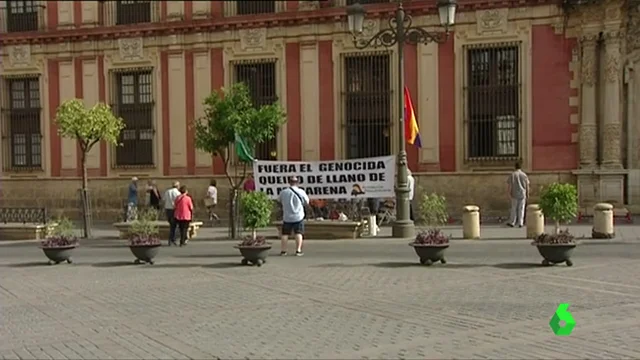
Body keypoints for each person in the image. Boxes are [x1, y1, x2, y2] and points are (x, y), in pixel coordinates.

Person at [279, 176, 309, 256]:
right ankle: (298, 250)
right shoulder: (301, 192)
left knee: (285, 234)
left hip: (287, 216)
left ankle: (283, 251)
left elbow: (279, 200)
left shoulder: (283, 192)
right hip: (298, 216)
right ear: (297, 182)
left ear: (289, 182)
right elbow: (307, 202)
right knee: (298, 233)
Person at [506, 161, 530, 228]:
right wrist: (528, 193)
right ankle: (520, 222)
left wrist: (508, 193)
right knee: (521, 208)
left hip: (514, 193)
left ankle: (512, 222)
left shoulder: (512, 175)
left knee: (514, 208)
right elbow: (527, 185)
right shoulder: (524, 175)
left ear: (515, 167)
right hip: (522, 193)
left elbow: (509, 185)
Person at [163, 181, 181, 246]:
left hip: (167, 209)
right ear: (177, 186)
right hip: (174, 210)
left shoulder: (167, 191)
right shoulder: (177, 193)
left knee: (171, 225)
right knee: (174, 225)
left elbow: (164, 199)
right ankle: (172, 239)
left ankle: (171, 239)